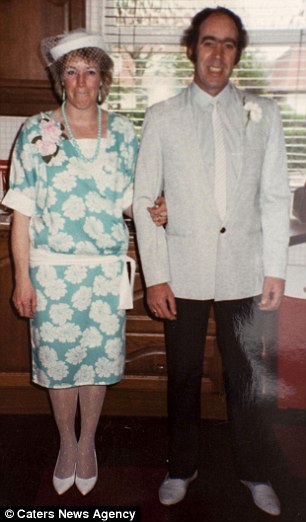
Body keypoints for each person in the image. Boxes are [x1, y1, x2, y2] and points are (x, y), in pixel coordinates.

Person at [133, 6, 290, 517]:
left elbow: (272, 197)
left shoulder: (263, 113)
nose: (217, 54)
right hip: (183, 270)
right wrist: (156, 276)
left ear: (237, 53)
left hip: (245, 270)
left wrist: (274, 269)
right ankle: (182, 467)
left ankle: (255, 470)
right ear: (191, 49)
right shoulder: (162, 116)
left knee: (248, 378)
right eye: (208, 42)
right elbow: (143, 199)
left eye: (227, 44)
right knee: (182, 375)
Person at [2, 29, 166, 496]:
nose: (80, 81)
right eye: (71, 71)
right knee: (58, 366)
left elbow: (129, 201)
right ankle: (66, 442)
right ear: (59, 80)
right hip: (52, 271)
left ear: (103, 79)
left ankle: (88, 442)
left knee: (96, 365)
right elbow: (22, 212)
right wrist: (23, 278)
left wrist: (152, 207)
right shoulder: (36, 130)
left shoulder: (124, 133)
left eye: (90, 71)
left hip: (104, 271)